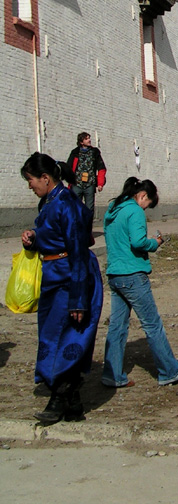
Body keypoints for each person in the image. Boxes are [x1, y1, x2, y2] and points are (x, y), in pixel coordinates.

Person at [20, 152, 103, 424]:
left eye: (31, 180)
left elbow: (77, 251)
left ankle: (57, 399)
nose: (30, 186)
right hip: (54, 277)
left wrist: (79, 300)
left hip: (72, 279)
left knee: (68, 338)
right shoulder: (48, 202)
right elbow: (51, 238)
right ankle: (73, 406)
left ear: (45, 178)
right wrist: (33, 239)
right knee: (53, 336)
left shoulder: (68, 205)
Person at [102, 177, 178, 387]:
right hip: (133, 274)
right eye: (148, 204)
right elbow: (138, 242)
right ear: (143, 196)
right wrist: (155, 242)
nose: (146, 208)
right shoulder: (134, 211)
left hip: (115, 273)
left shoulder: (113, 209)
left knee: (117, 326)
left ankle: (112, 373)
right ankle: (169, 370)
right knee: (152, 325)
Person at [67, 132, 107, 213]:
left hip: (90, 184)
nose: (89, 140)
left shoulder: (95, 152)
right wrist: (69, 182)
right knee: (75, 207)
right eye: (86, 139)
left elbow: (101, 168)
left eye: (89, 138)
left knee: (89, 208)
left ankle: (87, 224)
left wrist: (100, 183)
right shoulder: (75, 152)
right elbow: (69, 167)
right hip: (76, 184)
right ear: (81, 142)